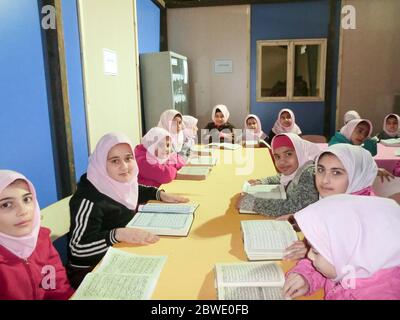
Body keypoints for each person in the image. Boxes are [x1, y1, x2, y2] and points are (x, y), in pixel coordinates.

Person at [67, 132, 188, 288]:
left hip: (119, 256)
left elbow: (135, 189)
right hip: (91, 273)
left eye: (128, 158)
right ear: (101, 164)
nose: (124, 166)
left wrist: (158, 194)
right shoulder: (88, 199)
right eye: (114, 161)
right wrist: (117, 234)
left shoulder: (115, 183)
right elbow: (77, 251)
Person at [283, 194, 400, 300]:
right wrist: (307, 278)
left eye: (315, 251)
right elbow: (330, 270)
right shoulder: (354, 263)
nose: (309, 255)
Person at [283, 144, 379, 261]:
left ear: (357, 176)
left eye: (336, 173)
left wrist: (313, 254)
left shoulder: (364, 220)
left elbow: (349, 268)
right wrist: (310, 246)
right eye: (320, 170)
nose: (324, 180)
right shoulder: (336, 202)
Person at [0, 170, 74, 299]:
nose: (23, 211)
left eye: (27, 199)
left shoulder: (41, 239)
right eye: (6, 204)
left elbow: (58, 287)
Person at [237, 133, 320, 217]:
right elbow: (282, 176)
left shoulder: (309, 174)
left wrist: (251, 202)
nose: (282, 162)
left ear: (300, 152)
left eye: (288, 154)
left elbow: (292, 208)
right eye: (277, 157)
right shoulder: (297, 168)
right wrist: (263, 181)